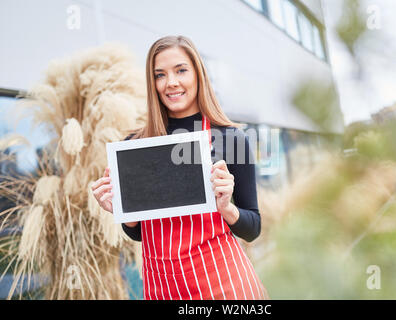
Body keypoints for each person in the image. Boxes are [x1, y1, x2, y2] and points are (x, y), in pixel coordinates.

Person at [91, 35, 268, 300]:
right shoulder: (135, 145)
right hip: (161, 287)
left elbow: (252, 228)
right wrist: (121, 210)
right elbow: (138, 233)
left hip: (224, 285)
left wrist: (226, 208)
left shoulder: (230, 139)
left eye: (181, 70)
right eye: (160, 75)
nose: (171, 82)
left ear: (198, 74)